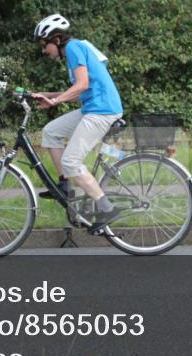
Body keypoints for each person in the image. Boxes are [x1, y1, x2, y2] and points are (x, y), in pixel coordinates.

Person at [30, 13, 123, 226]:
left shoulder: (72, 48)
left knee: (71, 161)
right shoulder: (74, 50)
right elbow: (80, 91)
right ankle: (65, 185)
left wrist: (54, 103)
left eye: (45, 45)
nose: (44, 51)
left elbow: (81, 85)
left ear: (56, 40)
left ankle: (106, 207)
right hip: (93, 107)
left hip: (102, 110)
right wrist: (46, 94)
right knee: (51, 132)